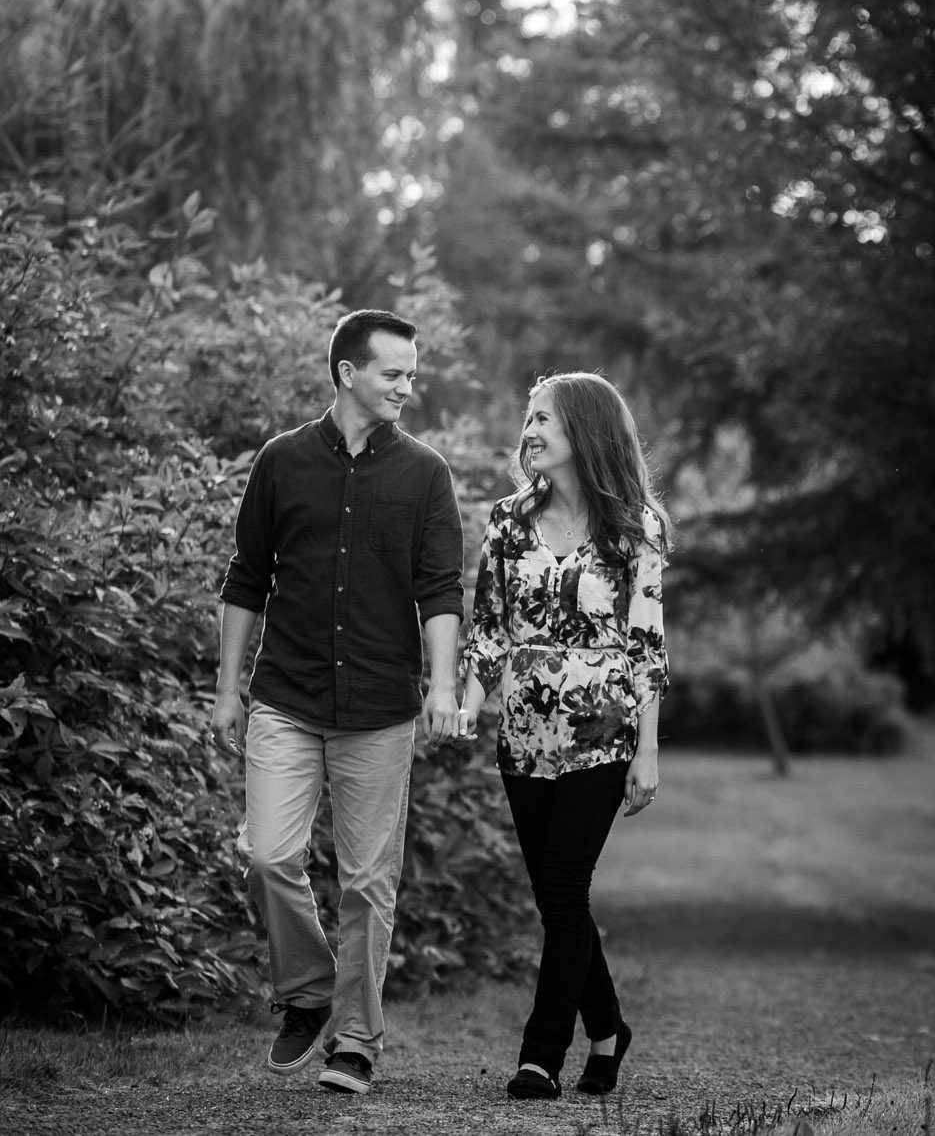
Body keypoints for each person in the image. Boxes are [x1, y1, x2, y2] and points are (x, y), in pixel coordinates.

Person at [209, 309, 467, 1096]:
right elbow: (245, 578)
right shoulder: (281, 461)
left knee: (366, 881)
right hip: (285, 697)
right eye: (395, 373)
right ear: (349, 372)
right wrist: (226, 690)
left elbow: (441, 589)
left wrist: (445, 683)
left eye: (412, 374)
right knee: (268, 854)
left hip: (382, 709)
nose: (407, 387)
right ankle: (309, 990)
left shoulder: (425, 474)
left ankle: (355, 1041)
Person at [459, 371, 670, 1100]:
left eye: (544, 417)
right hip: (524, 735)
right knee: (559, 900)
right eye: (529, 417)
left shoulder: (634, 528)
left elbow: (647, 648)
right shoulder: (506, 521)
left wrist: (646, 749)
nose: (531, 430)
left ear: (584, 429)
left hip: (601, 734)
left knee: (562, 883)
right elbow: (489, 630)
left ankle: (540, 1054)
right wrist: (468, 699)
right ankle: (609, 1029)